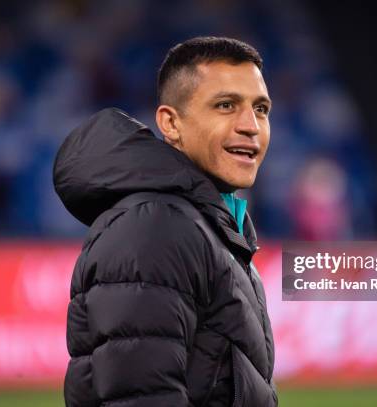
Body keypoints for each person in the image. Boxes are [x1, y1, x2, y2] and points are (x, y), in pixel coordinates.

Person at [53, 37, 277, 406]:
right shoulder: (156, 226)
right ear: (171, 123)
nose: (251, 126)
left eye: (261, 109)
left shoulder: (211, 226)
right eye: (225, 105)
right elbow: (139, 396)